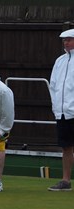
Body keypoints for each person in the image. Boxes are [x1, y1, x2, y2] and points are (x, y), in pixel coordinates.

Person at [48, 28, 74, 191]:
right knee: (66, 147)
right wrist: (56, 107)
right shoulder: (60, 61)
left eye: (69, 39)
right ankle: (65, 181)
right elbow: (53, 85)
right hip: (63, 112)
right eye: (64, 40)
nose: (66, 42)